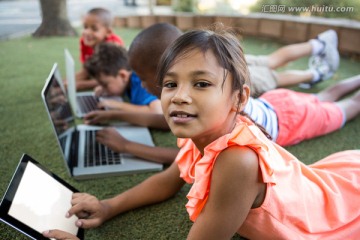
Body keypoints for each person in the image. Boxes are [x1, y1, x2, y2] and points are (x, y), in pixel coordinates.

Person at [43, 26, 360, 240]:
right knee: (333, 100)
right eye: (170, 84)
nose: (179, 95)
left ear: (239, 98)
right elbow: (167, 180)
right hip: (315, 180)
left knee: (342, 106)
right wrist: (108, 206)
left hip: (331, 217)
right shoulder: (202, 133)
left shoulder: (238, 162)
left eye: (201, 83)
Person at [84, 23, 359, 163]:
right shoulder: (196, 111)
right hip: (274, 103)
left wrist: (126, 146)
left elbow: (179, 161)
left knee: (343, 108)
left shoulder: (220, 127)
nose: (142, 85)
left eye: (144, 79)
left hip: (288, 119)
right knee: (327, 96)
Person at [83, 42, 162, 114]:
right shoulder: (127, 80)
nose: (103, 88)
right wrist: (104, 88)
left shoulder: (140, 80)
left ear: (123, 76)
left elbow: (156, 112)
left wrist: (118, 105)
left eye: (105, 84)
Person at [76, 7, 125, 91]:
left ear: (108, 32)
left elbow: (109, 79)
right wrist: (64, 83)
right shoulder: (85, 41)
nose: (87, 32)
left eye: (94, 29)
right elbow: (85, 72)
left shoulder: (113, 46)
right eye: (85, 27)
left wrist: (80, 85)